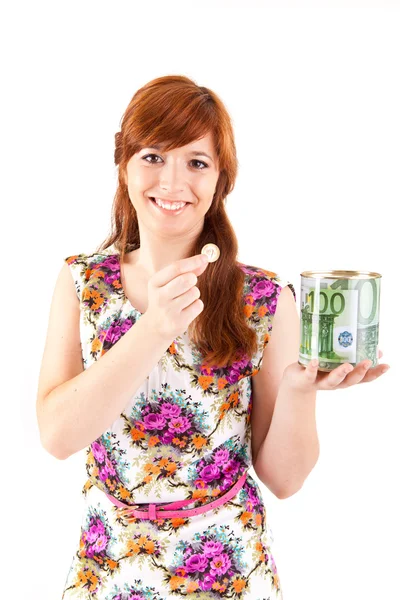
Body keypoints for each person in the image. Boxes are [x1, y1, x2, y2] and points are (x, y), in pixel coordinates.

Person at [36, 75, 389, 599]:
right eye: (153, 156)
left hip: (229, 570)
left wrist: (298, 390)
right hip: (108, 566)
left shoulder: (266, 299)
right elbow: (57, 436)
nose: (173, 183)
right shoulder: (84, 282)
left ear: (221, 179)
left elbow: (286, 481)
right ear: (124, 165)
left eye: (196, 162)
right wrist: (153, 329)